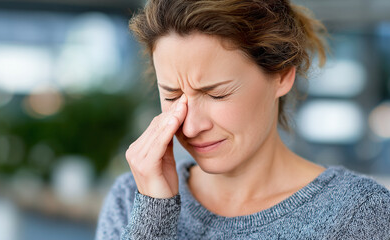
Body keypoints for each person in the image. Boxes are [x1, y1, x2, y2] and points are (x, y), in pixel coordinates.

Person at [95, 0, 390, 239]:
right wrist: (153, 216)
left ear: (282, 74)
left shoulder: (358, 214)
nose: (192, 126)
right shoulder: (133, 199)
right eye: (172, 96)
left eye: (217, 94)